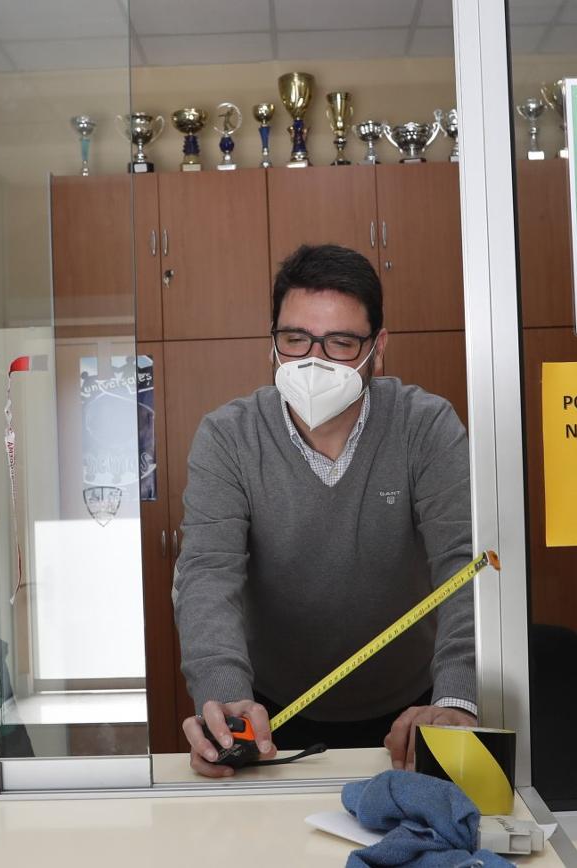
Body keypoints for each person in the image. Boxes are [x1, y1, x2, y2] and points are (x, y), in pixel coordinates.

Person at [174, 243, 476, 778]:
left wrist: (457, 698)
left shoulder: (426, 426)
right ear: (273, 343)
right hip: (268, 709)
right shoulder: (228, 436)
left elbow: (463, 562)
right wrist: (224, 698)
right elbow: (206, 573)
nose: (312, 362)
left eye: (339, 342)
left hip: (413, 710)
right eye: (294, 340)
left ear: (377, 349)